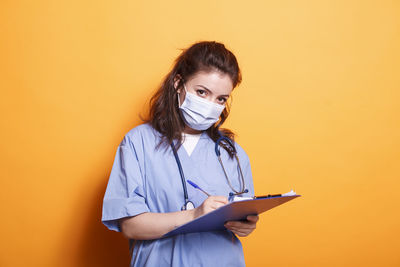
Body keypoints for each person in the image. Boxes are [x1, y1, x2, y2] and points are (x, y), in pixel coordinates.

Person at [101, 41, 259, 266]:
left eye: (221, 99)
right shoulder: (139, 142)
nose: (210, 105)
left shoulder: (231, 153)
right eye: (202, 92)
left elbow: (242, 212)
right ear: (178, 84)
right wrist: (194, 215)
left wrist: (247, 225)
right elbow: (130, 225)